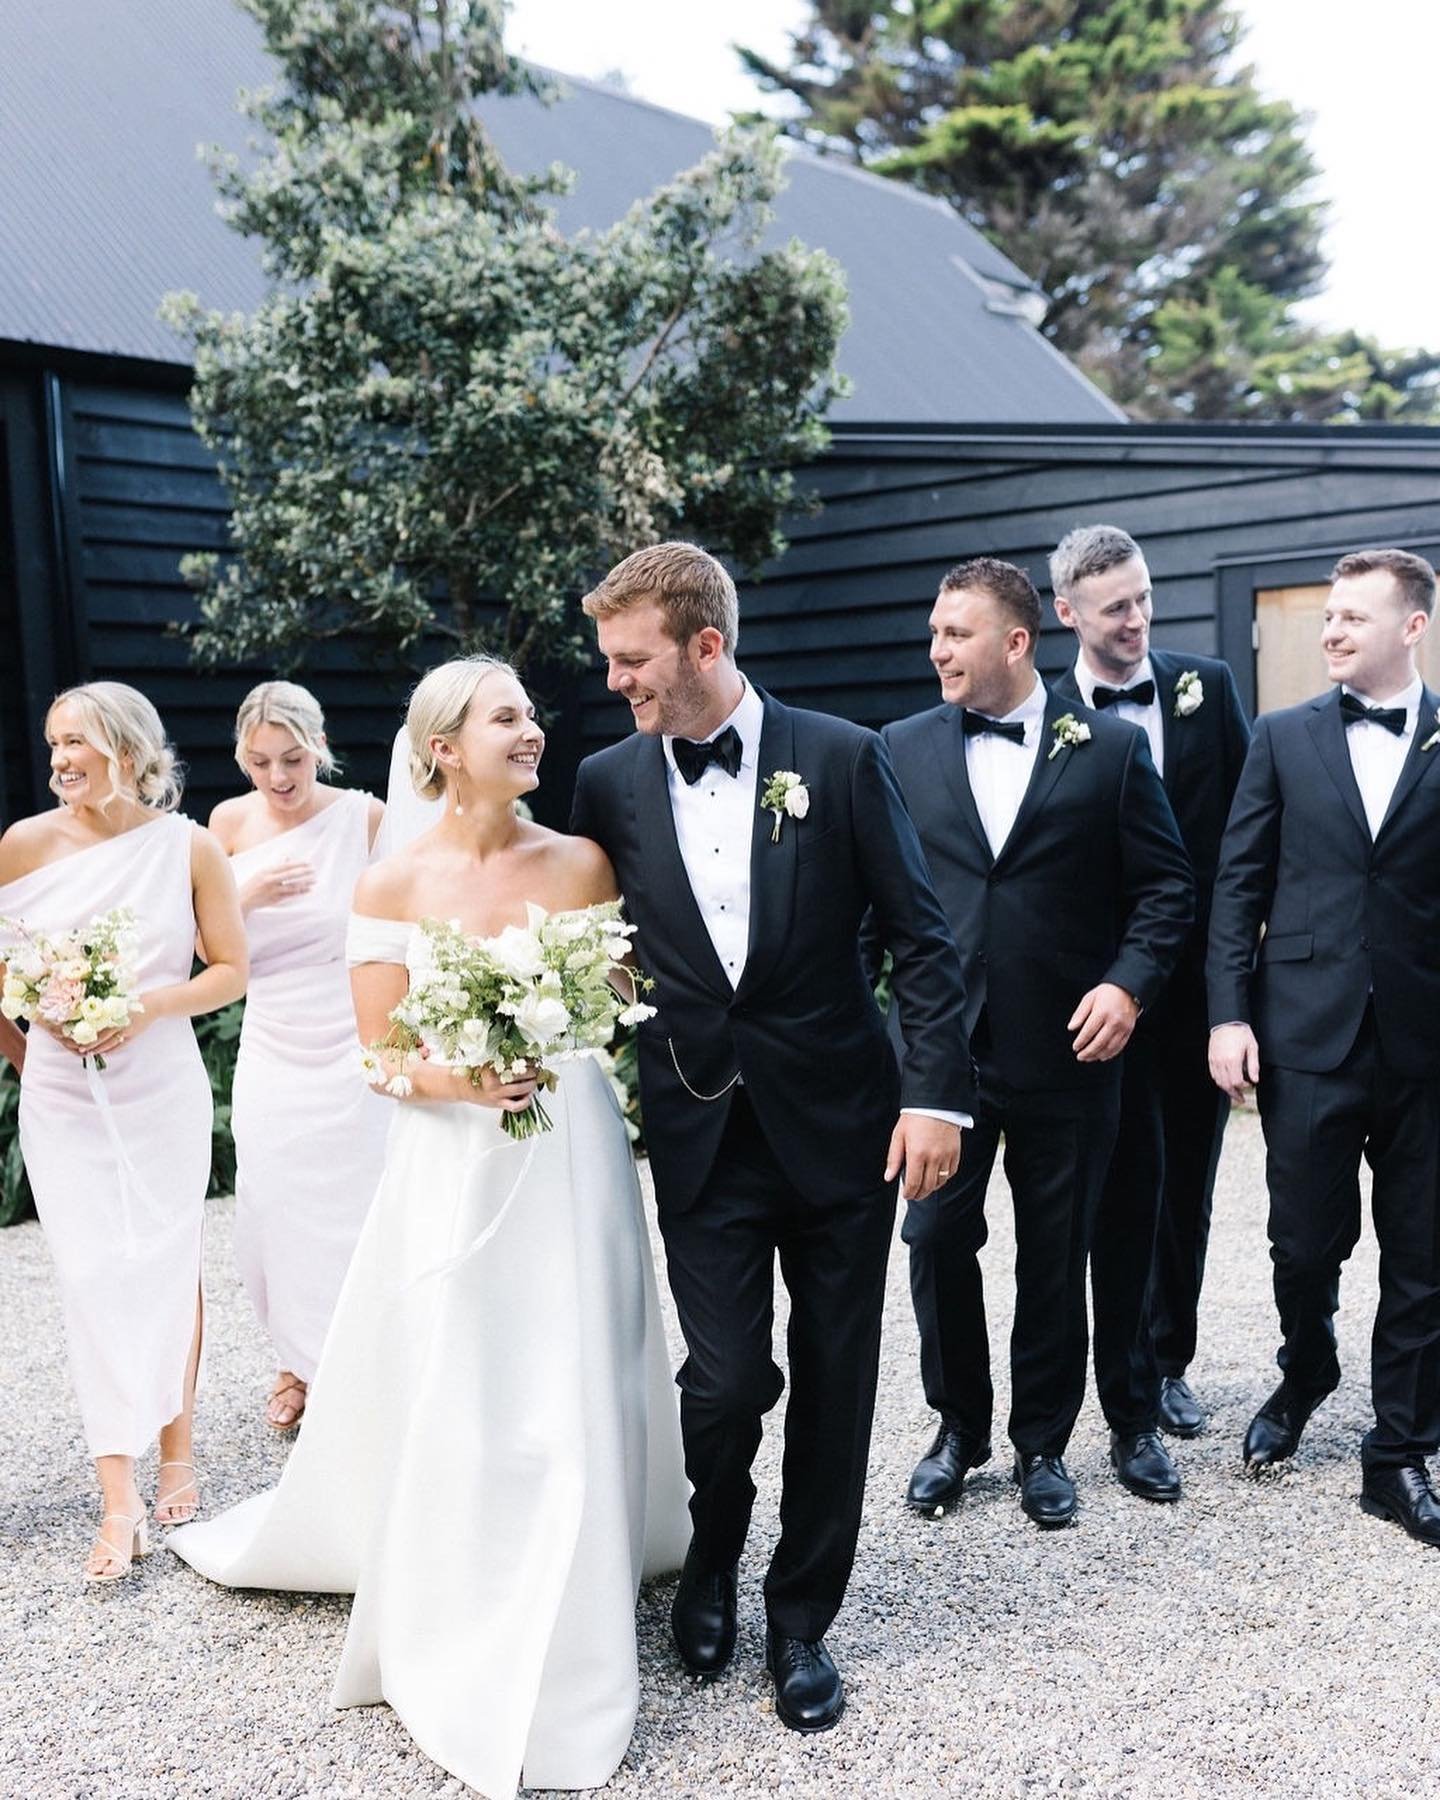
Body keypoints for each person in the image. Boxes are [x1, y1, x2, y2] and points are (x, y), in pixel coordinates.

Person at [170, 656, 690, 1797]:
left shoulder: (582, 860)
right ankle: (466, 1566)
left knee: (577, 1345)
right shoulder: (394, 883)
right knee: (469, 1356)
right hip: (454, 1159)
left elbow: (610, 1002)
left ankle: (587, 1559)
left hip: (572, 1143)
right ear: (444, 747)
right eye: (508, 716)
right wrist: (466, 1081)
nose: (533, 730)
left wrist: (555, 1032)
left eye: (532, 714)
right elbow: (382, 1056)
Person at [571, 542, 972, 1734]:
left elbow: (926, 943)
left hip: (850, 1129)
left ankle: (800, 1620)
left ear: (706, 646)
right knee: (729, 1376)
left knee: (839, 1380)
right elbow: (595, 951)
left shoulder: (845, 759)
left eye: (631, 659)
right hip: (702, 1128)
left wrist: (935, 1098)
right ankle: (710, 1556)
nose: (614, 682)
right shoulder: (604, 781)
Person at [880, 558, 1193, 1529]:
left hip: (1072, 1056)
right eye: (934, 633)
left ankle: (1041, 1444)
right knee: (936, 1244)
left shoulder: (1105, 751)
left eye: (955, 634)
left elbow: (1166, 889)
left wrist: (1127, 985)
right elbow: (873, 903)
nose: (937, 650)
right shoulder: (898, 749)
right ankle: (958, 1429)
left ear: (1017, 641)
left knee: (1055, 1256)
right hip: (945, 1063)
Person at [1208, 548, 1440, 1545]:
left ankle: (1398, 1454)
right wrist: (1227, 1014)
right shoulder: (1283, 736)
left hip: (1427, 1041)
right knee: (1303, 1241)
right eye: (1330, 615)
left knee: (1426, 1256)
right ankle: (1307, 1371)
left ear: (1414, 627)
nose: (1333, 629)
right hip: (1305, 1030)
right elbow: (1238, 885)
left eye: (1354, 616)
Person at [0, 682, 247, 1580]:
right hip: (62, 1100)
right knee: (90, 1274)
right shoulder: (21, 846)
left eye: (78, 742)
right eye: (53, 741)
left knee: (166, 1259)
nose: (60, 758)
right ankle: (118, 1499)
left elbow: (230, 971)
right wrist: (33, 1055)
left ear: (129, 750)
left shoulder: (190, 846)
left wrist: (145, 1007)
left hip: (160, 1087)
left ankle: (176, 1452)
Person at [1050, 524, 1251, 1484]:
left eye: (1142, 599)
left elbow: (1248, 836)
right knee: (1097, 1192)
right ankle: (1087, 1378)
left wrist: (1238, 991)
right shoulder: (1042, 713)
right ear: (1067, 614)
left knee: (1186, 1189)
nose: (1136, 620)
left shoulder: (1206, 686)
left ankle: (1164, 1364)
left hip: (1196, 994)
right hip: (1093, 997)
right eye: (1114, 607)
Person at [210, 680, 388, 1430]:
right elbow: (204, 946)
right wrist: (242, 898)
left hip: (352, 1032)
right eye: (260, 763)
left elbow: (400, 922)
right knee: (274, 1207)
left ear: (319, 747)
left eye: (293, 759)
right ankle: (294, 1357)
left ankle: (363, 1364)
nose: (278, 779)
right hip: (275, 1040)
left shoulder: (365, 817)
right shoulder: (225, 823)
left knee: (357, 1203)